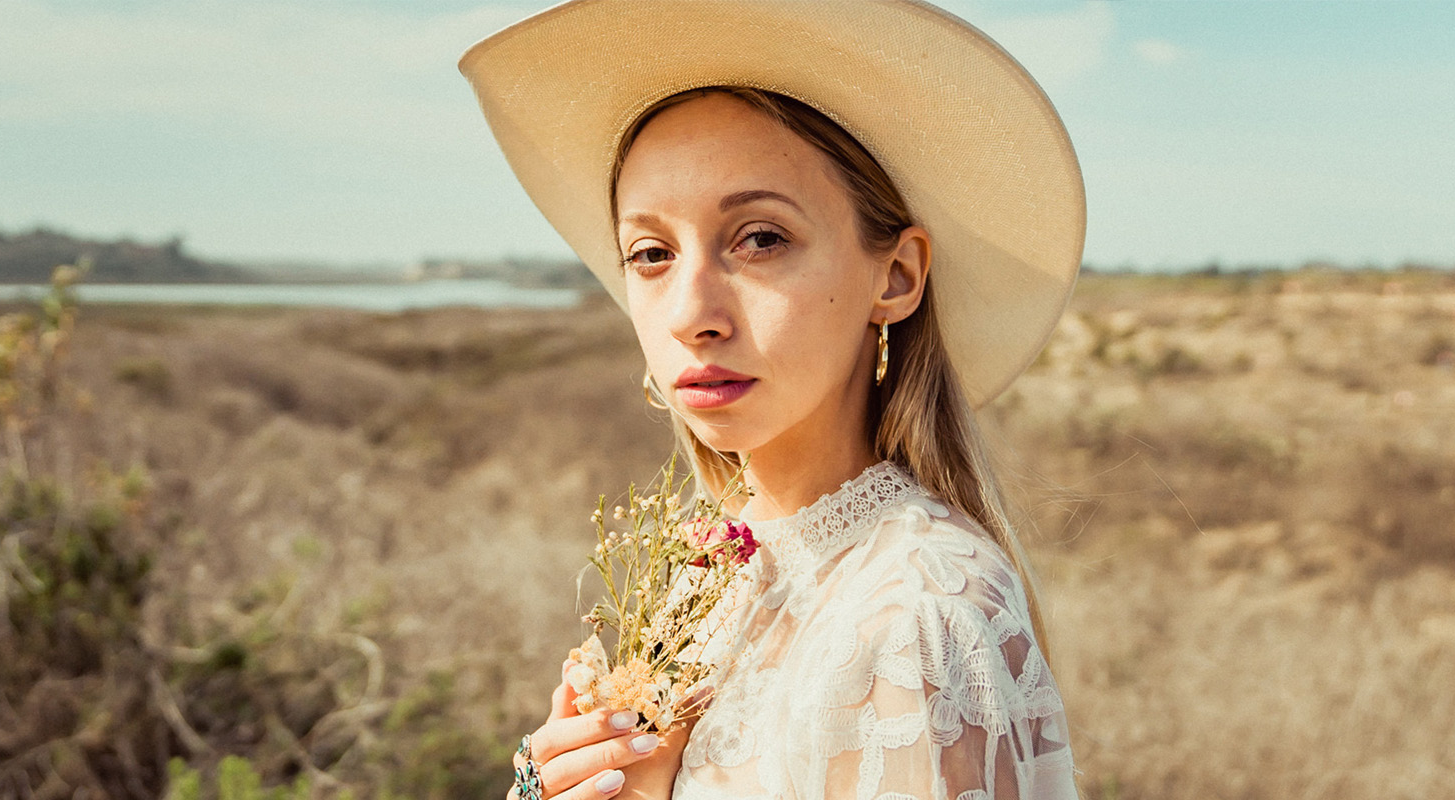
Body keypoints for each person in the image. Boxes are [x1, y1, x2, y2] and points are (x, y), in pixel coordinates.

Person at [459, 1, 1086, 798]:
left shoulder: (916, 613)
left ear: (895, 277)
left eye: (760, 238)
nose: (691, 314)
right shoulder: (712, 565)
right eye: (650, 253)